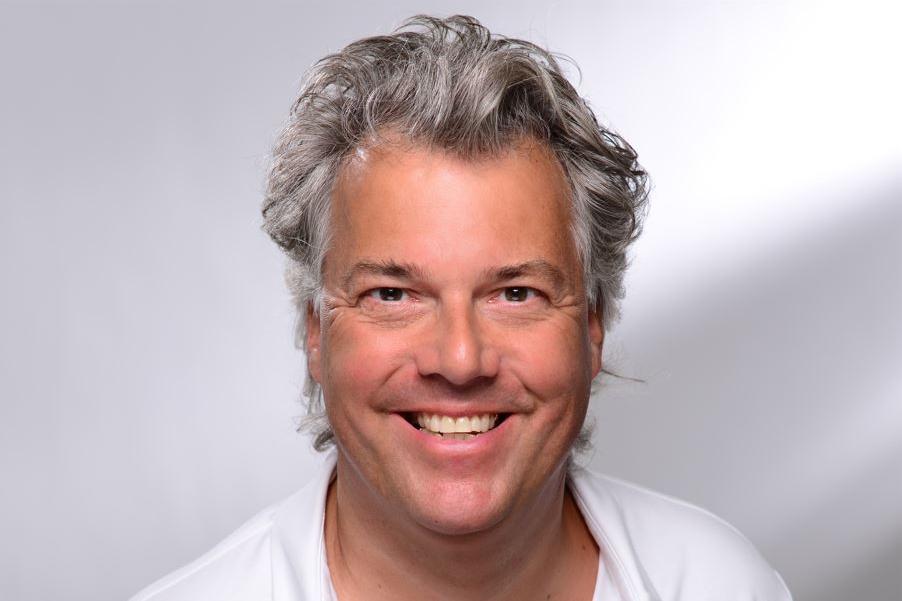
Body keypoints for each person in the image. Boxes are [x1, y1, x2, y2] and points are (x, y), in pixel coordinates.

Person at [131, 15, 792, 601]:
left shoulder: (725, 586)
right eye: (392, 294)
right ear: (315, 330)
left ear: (593, 327)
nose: (459, 359)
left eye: (516, 293)